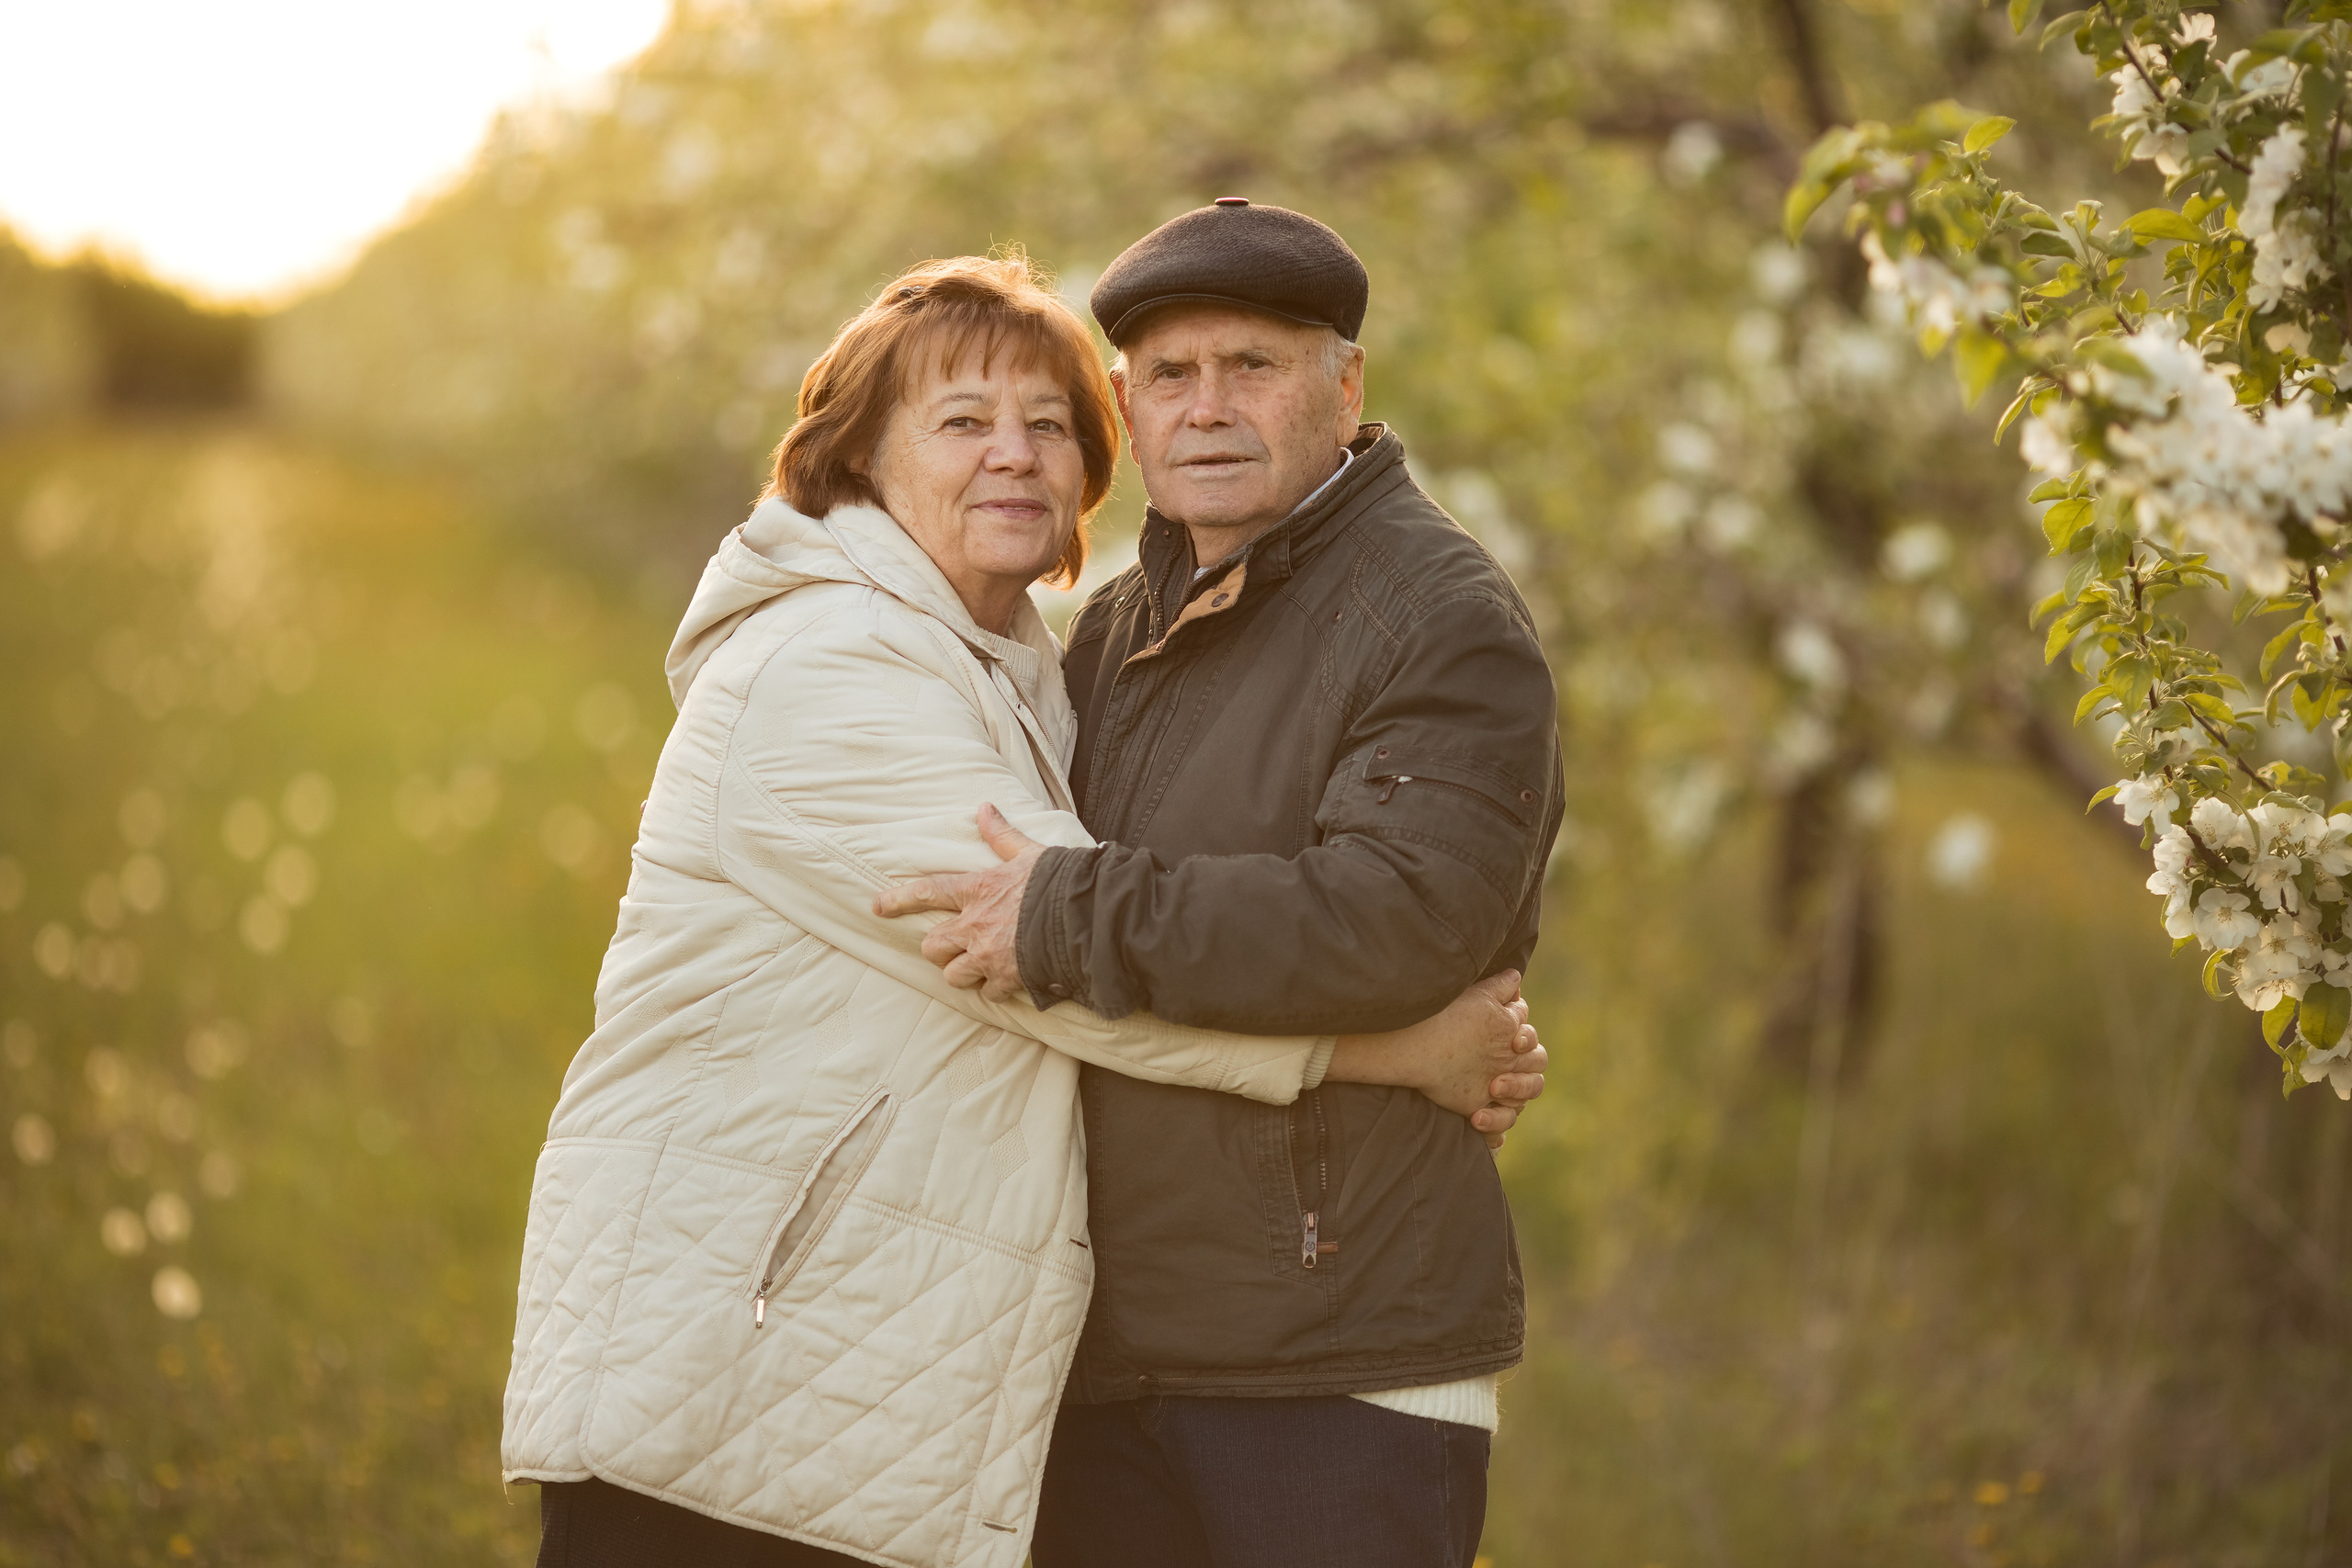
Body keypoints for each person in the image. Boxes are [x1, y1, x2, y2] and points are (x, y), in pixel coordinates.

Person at [499, 253, 1548, 1568]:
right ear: (857, 460)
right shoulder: (834, 668)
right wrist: (1394, 1054)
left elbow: (1115, 931)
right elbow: (1052, 968)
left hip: (883, 1379)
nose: (1015, 456)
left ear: (1346, 391)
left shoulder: (1030, 672)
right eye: (961, 422)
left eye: (1048, 425)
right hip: (731, 1380)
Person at [877, 204, 1566, 1568]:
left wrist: (1068, 914)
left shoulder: (1436, 617)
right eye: (1171, 379)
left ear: (1345, 386)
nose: (1209, 409)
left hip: (1335, 1358)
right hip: (1102, 1348)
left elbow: (1396, 923)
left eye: (1251, 366)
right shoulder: (1108, 631)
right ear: (1127, 408)